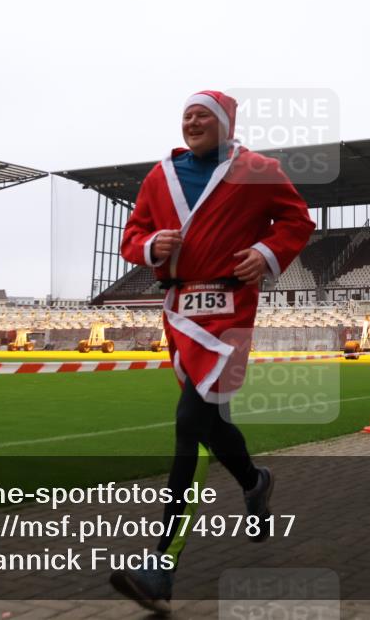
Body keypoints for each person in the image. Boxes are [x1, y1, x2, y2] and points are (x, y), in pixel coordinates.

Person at [112, 90, 315, 614]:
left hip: (230, 309)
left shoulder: (258, 169)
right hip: (180, 309)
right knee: (208, 422)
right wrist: (148, 245)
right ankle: (254, 479)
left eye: (203, 114)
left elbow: (298, 221)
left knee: (189, 422)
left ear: (226, 122)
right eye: (186, 115)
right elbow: (132, 234)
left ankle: (161, 566)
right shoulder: (159, 176)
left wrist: (267, 253)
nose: (192, 121)